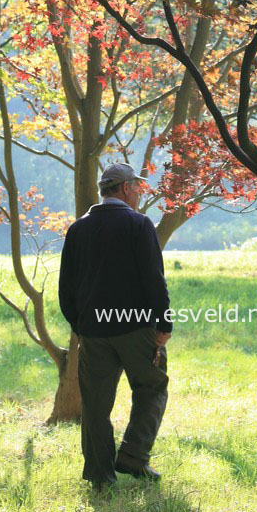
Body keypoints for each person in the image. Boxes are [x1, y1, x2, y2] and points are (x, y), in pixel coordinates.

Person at [59, 162, 172, 490]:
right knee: (152, 386)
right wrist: (163, 323)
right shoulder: (138, 224)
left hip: (93, 331)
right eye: (136, 186)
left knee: (95, 404)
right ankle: (134, 456)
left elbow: (66, 287)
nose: (138, 192)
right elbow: (154, 278)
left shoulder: (78, 229)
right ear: (124, 189)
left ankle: (100, 478)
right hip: (136, 328)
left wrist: (79, 325)